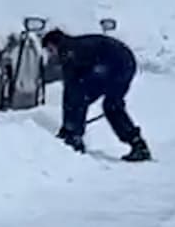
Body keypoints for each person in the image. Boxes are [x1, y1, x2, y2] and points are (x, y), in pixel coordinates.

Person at [42, 28, 151, 162]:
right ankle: (138, 144)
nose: (51, 55)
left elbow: (72, 93)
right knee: (112, 105)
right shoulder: (78, 45)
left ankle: (73, 138)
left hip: (109, 66)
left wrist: (68, 128)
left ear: (54, 44)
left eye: (50, 50)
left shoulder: (68, 51)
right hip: (126, 63)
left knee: (78, 96)